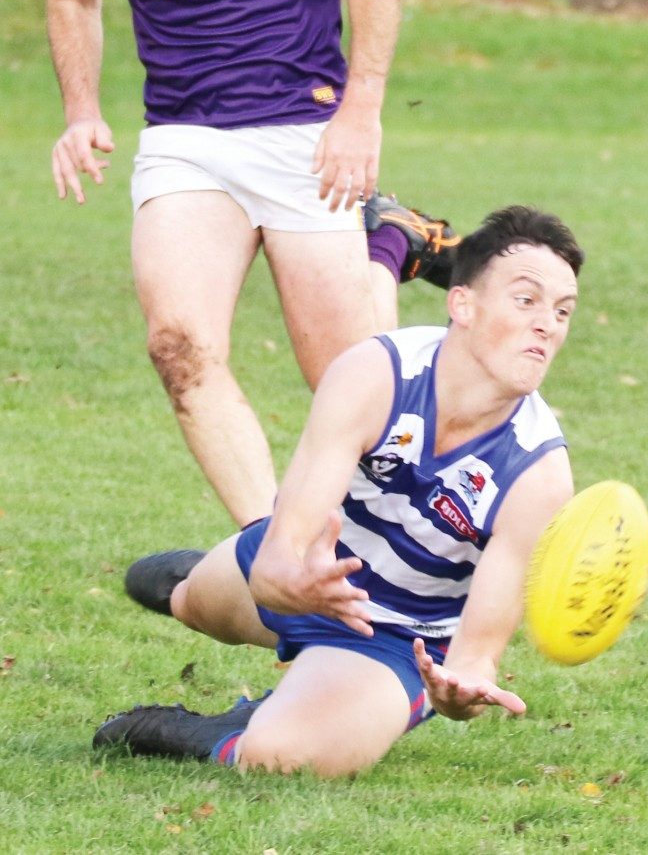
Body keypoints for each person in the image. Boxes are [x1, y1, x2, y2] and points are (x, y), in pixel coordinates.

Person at [47, 0, 459, 528]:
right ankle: (273, 553)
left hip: (298, 134)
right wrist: (81, 111)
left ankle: (387, 244)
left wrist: (361, 111)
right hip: (185, 140)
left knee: (355, 390)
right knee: (179, 347)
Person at [94, 206, 583, 777]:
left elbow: (476, 655)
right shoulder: (376, 374)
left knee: (281, 757)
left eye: (562, 310)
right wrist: (291, 581)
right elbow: (283, 557)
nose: (547, 323)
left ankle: (223, 732)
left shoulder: (540, 475)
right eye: (526, 300)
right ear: (463, 304)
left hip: (397, 636)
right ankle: (201, 587)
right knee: (190, 602)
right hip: (306, 569)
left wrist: (459, 692)